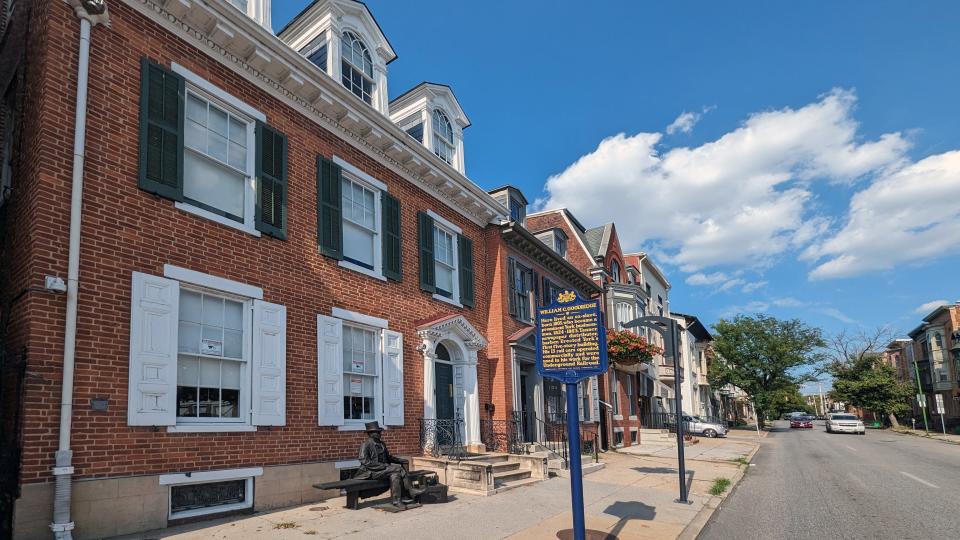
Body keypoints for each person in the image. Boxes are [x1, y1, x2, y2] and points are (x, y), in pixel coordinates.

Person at [353, 421, 423, 508]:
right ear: (370, 433)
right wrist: (384, 466)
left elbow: (389, 457)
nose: (379, 433)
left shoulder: (382, 444)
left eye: (379, 431)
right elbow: (364, 461)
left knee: (395, 475)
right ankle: (410, 491)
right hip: (371, 472)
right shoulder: (366, 444)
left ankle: (397, 501)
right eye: (377, 432)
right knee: (398, 469)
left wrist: (401, 460)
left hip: (383, 471)